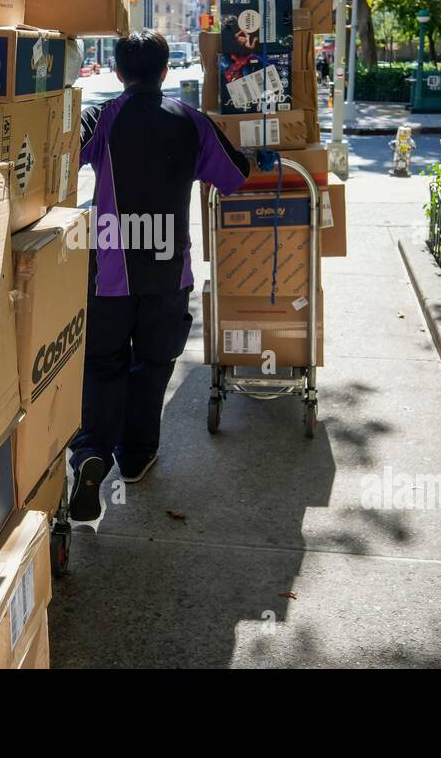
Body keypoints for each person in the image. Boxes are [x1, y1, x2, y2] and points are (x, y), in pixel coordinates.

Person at [69, 30, 251, 522]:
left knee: (102, 366)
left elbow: (62, 152)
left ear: (119, 72)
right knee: (152, 367)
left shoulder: (102, 117)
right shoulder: (192, 121)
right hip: (169, 274)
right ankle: (135, 457)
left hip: (108, 273)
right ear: (166, 71)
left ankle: (92, 452)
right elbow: (237, 175)